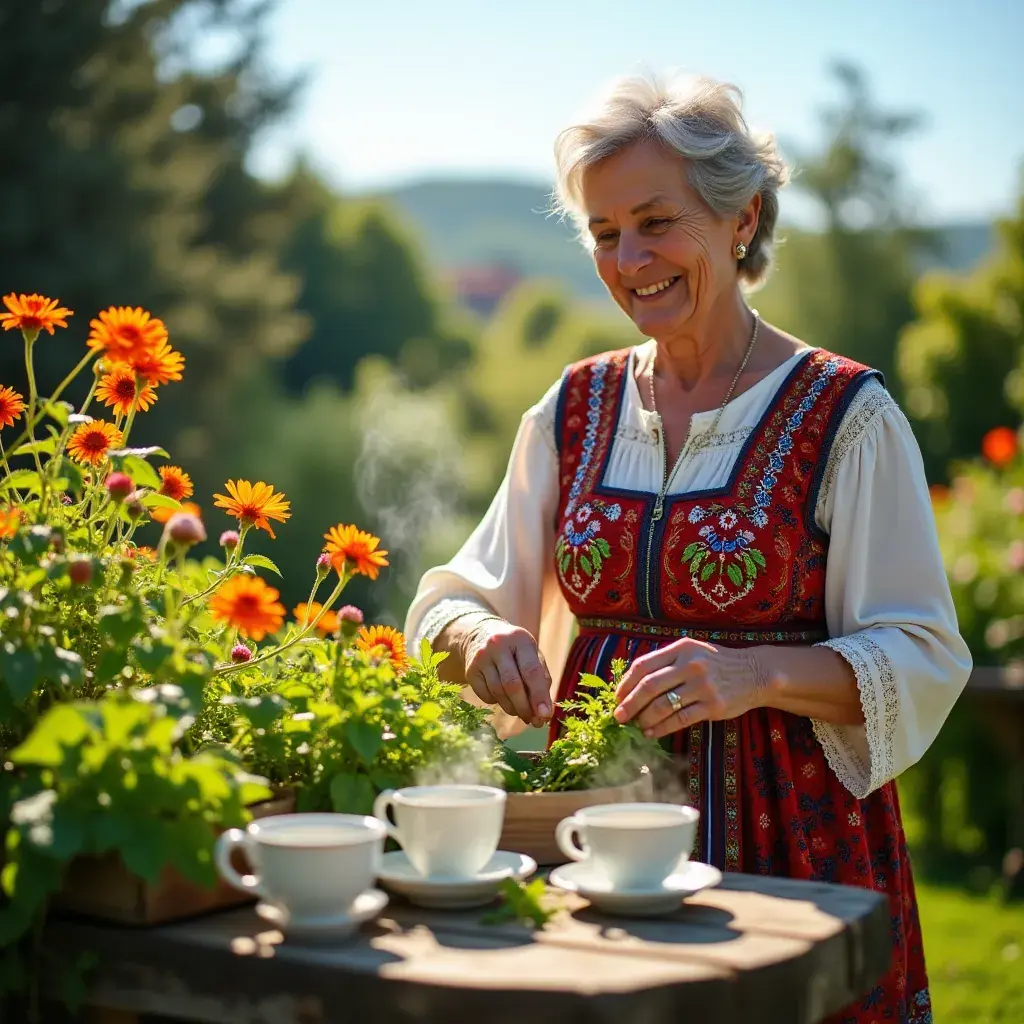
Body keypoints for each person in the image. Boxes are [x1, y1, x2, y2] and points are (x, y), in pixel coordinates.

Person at [405, 73, 970, 1023]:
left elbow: (921, 652)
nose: (629, 258)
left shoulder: (846, 416)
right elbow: (461, 591)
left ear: (742, 217)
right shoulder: (573, 409)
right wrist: (477, 639)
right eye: (603, 232)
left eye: (656, 221)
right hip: (594, 842)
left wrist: (753, 675)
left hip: (791, 851)